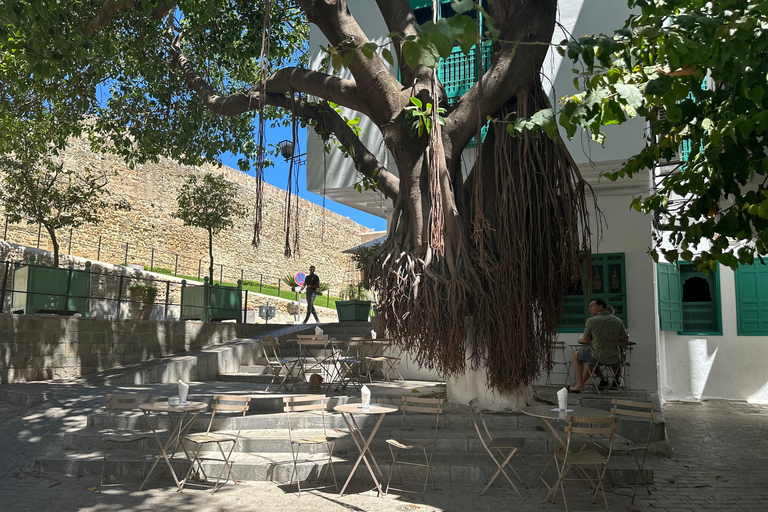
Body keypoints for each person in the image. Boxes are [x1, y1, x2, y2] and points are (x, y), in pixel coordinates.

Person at [568, 298, 627, 392]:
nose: (589, 309)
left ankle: (580, 385)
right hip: (615, 357)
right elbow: (624, 339)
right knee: (591, 356)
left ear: (600, 307)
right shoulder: (618, 321)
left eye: (591, 306)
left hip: (597, 357)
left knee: (577, 355)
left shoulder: (591, 321)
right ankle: (613, 381)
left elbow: (586, 340)